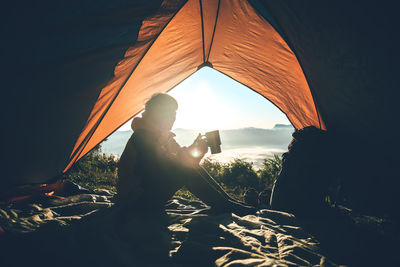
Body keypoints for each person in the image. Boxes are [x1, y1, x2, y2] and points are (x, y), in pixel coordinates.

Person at [116, 93, 255, 215]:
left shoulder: (161, 135)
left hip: (149, 192)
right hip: (136, 201)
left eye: (174, 114)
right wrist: (191, 153)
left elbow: (178, 157)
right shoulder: (143, 137)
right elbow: (158, 170)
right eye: (169, 113)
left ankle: (227, 202)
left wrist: (195, 148)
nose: (173, 118)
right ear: (157, 113)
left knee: (191, 165)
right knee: (187, 166)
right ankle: (225, 205)